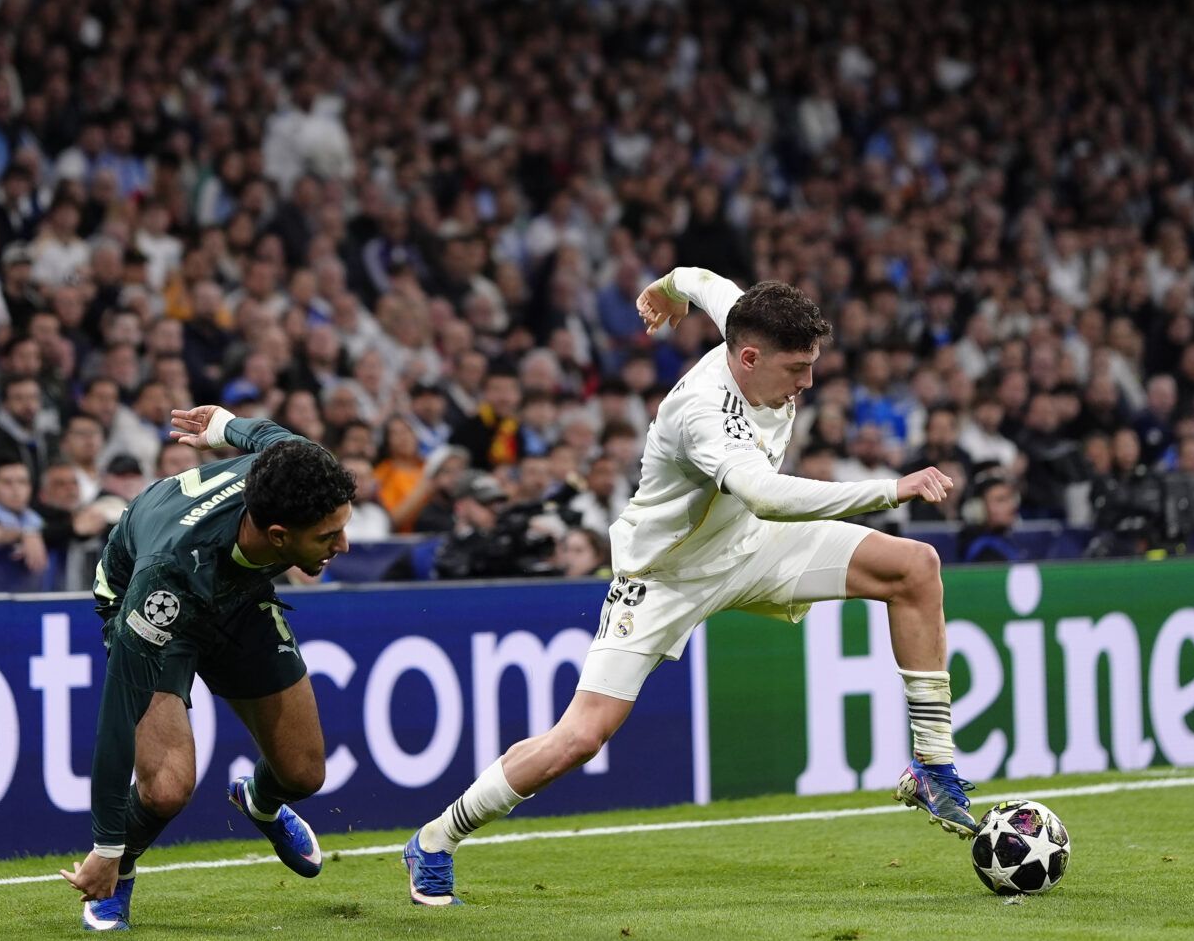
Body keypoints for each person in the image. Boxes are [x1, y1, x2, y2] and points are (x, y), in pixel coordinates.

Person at [404, 269, 967, 908]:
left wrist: (662, 290)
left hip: (753, 547)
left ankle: (933, 764)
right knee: (580, 738)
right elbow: (768, 494)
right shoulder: (702, 413)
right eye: (795, 369)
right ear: (747, 357)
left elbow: (704, 280)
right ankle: (435, 838)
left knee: (915, 566)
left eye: (811, 365)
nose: (806, 384)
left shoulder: (745, 321)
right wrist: (893, 488)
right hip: (665, 577)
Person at [62, 404, 353, 932]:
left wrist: (222, 425)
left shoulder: (305, 468)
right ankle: (118, 870)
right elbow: (116, 716)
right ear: (280, 536)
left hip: (236, 598)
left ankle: (259, 802)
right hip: (152, 600)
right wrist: (106, 844)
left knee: (303, 773)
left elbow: (266, 434)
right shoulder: (163, 580)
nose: (344, 544)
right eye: (328, 536)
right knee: (168, 787)